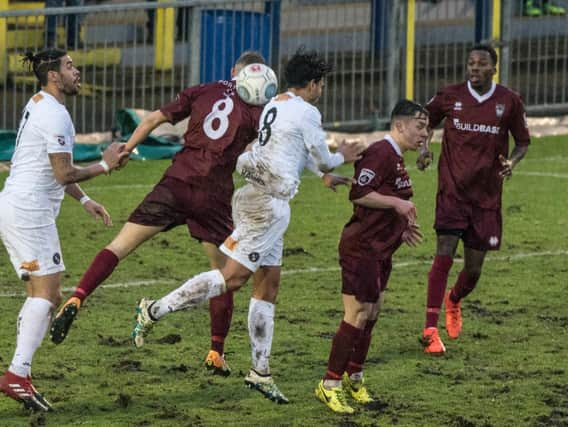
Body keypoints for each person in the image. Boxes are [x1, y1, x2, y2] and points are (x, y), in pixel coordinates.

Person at [131, 47, 363, 403]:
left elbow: (290, 150)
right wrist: (339, 159)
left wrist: (320, 176)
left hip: (258, 196)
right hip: (266, 206)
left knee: (267, 286)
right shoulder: (308, 112)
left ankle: (260, 371)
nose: (322, 90)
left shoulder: (276, 103)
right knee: (232, 277)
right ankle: (154, 309)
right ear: (313, 84)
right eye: (322, 84)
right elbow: (325, 157)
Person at [49, 51, 268, 378]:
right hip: (213, 197)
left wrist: (125, 150)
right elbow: (260, 154)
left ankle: (78, 296)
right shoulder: (256, 110)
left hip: (176, 182)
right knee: (223, 276)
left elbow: (152, 119)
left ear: (233, 71)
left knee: (119, 246)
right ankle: (215, 352)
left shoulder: (203, 89)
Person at [0, 49, 126, 412]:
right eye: (70, 66)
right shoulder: (56, 116)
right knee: (48, 293)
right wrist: (106, 163)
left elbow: (51, 167)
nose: (77, 71)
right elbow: (62, 173)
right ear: (54, 75)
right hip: (29, 212)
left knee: (42, 294)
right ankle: (17, 375)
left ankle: (19, 373)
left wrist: (84, 199)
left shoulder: (39, 103)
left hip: (17, 206)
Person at [315, 100, 428, 414]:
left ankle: (355, 377)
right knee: (358, 313)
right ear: (400, 125)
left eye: (427, 128)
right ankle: (329, 384)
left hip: (381, 248)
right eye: (420, 126)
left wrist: (401, 227)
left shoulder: (396, 158)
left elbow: (387, 198)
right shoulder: (381, 153)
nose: (425, 133)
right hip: (361, 247)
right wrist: (396, 205)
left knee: (373, 310)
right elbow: (359, 194)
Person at [417, 44, 530, 354]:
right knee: (444, 252)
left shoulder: (509, 101)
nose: (474, 68)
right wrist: (424, 148)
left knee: (474, 269)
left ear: (493, 68)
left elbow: (522, 143)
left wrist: (512, 162)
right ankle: (430, 328)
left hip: (487, 198)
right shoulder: (450, 95)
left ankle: (454, 299)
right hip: (452, 191)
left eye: (481, 64)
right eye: (471, 63)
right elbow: (425, 120)